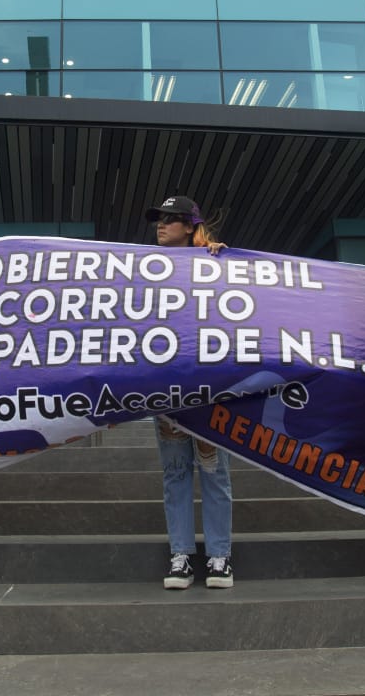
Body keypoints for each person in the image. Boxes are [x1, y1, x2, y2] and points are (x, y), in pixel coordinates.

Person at [144, 195, 233, 590]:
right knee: (176, 473)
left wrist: (226, 263)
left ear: (189, 226)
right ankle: (180, 556)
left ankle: (219, 558)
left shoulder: (218, 263)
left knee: (214, 471)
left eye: (170, 219)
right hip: (166, 386)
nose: (161, 225)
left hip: (209, 385)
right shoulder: (142, 269)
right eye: (159, 219)